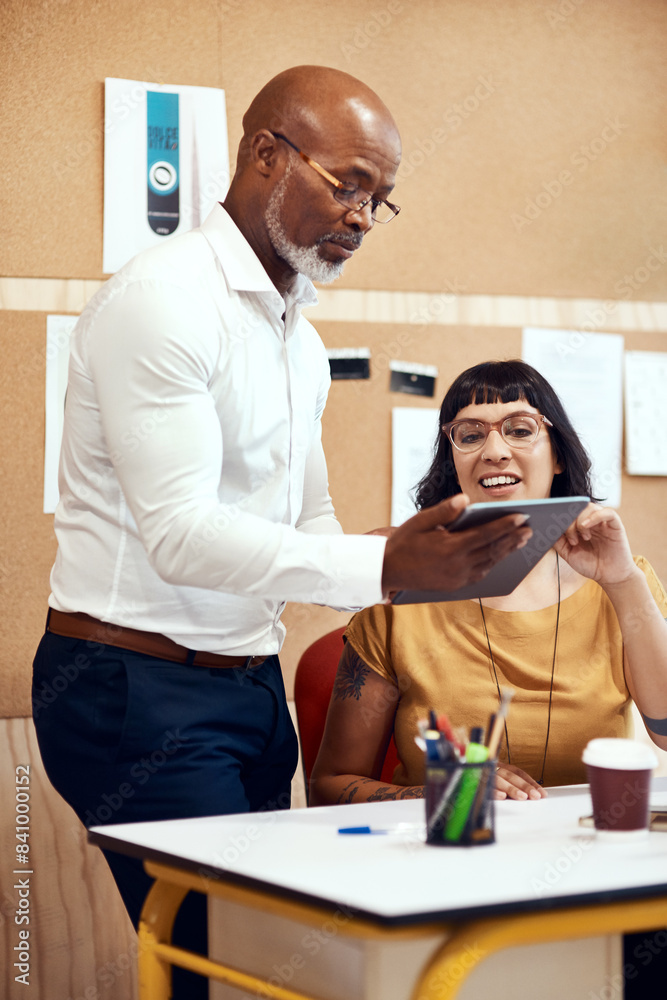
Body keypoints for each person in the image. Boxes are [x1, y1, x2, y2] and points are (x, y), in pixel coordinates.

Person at [31, 69, 530, 996]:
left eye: (380, 201)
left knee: (254, 963)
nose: (363, 218)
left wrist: (421, 556)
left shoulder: (297, 338)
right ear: (267, 153)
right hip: (132, 687)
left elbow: (310, 528)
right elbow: (180, 536)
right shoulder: (164, 300)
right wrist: (385, 560)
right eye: (348, 184)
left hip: (246, 685)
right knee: (220, 963)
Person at [310, 359, 667, 809]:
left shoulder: (623, 582)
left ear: (558, 454)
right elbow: (329, 785)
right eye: (471, 435)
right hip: (451, 848)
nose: (494, 451)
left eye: (520, 430)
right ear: (453, 461)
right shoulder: (399, 592)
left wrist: (621, 581)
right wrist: (439, 792)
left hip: (582, 849)